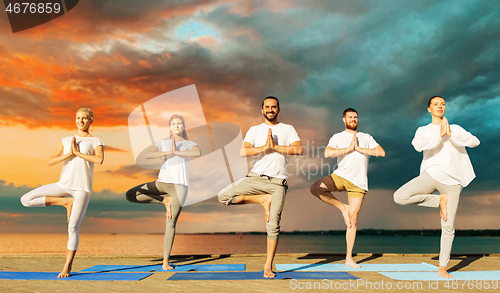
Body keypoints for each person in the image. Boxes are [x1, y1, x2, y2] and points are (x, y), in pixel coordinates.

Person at [394, 96, 479, 278]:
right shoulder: (423, 130)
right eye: (436, 104)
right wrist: (440, 135)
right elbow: (418, 145)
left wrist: (450, 134)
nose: (440, 106)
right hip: (431, 175)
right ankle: (439, 201)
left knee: (448, 226)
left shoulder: (454, 128)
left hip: (453, 183)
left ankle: (442, 267)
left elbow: (474, 141)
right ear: (429, 109)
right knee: (399, 196)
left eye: (442, 104)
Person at [218, 96, 303, 278]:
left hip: (278, 183)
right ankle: (262, 200)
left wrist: (276, 146)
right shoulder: (255, 130)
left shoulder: (288, 129)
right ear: (262, 110)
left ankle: (267, 266)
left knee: (273, 225)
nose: (270, 109)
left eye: (274, 107)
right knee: (223, 196)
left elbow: (299, 149)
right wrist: (265, 147)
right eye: (267, 107)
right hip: (255, 178)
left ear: (278, 109)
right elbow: (243, 151)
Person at [20, 108, 105, 278]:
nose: (80, 121)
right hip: (64, 184)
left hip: (82, 188)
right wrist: (69, 153)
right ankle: (66, 202)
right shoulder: (66, 140)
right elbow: (51, 161)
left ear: (91, 121)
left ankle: (67, 267)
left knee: (73, 227)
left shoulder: (96, 141)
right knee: (26, 199)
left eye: (84, 118)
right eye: (78, 118)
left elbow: (99, 160)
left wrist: (78, 153)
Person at [310, 108, 385, 268]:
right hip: (341, 176)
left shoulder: (366, 137)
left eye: (355, 117)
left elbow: (381, 152)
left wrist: (360, 149)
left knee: (353, 220)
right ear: (344, 119)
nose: (353, 119)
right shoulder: (338, 137)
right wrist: (348, 149)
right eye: (350, 117)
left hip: (358, 182)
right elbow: (328, 153)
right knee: (316, 188)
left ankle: (349, 258)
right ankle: (342, 207)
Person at [126, 114, 200, 270]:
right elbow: (148, 154)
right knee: (131, 194)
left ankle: (165, 260)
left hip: (180, 187)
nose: (177, 126)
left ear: (184, 126)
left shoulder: (189, 144)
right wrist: (168, 152)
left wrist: (177, 152)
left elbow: (197, 153)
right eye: (174, 123)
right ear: (170, 127)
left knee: (170, 224)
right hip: (162, 184)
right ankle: (164, 201)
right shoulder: (162, 143)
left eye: (180, 123)